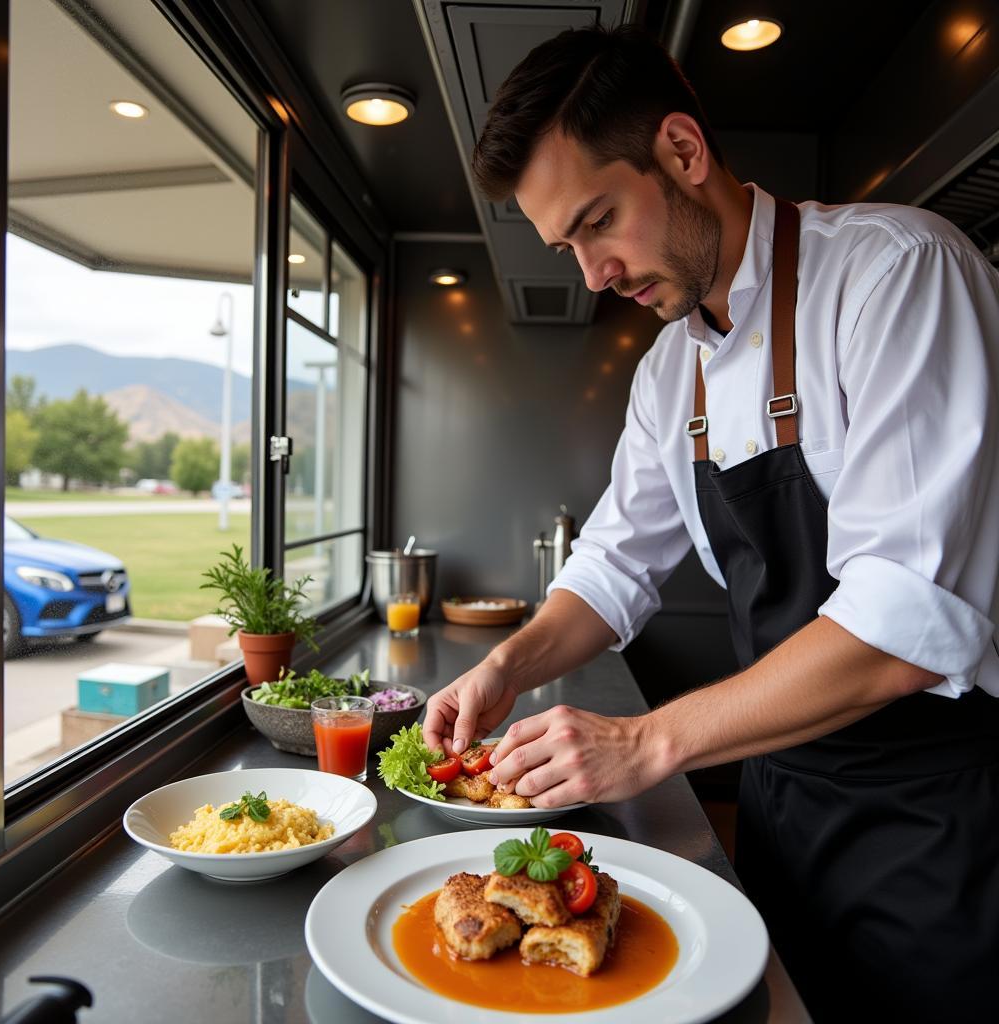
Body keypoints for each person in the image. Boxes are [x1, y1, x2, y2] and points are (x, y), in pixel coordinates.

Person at [423, 23, 999, 1023]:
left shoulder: (895, 275)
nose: (593, 273)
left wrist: (645, 742)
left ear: (682, 153)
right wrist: (506, 667)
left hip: (931, 815)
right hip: (780, 802)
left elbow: (902, 622)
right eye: (568, 246)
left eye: (600, 221)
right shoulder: (668, 371)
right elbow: (611, 567)